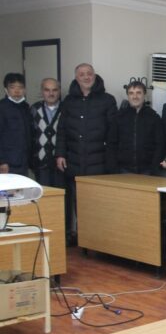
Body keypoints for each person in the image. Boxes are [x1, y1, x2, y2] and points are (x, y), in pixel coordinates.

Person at [56, 63, 117, 244]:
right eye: (82, 74)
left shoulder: (107, 100)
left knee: (99, 203)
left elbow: (113, 132)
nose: (86, 77)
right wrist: (60, 154)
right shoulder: (69, 101)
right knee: (78, 201)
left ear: (94, 76)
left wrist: (110, 158)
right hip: (74, 160)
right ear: (76, 78)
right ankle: (83, 239)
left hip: (99, 161)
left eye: (89, 73)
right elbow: (62, 130)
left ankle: (99, 241)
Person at [107, 81, 165, 175]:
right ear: (128, 96)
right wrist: (114, 169)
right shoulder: (119, 117)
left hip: (147, 171)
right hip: (123, 170)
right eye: (131, 93)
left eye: (138, 92)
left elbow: (160, 145)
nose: (135, 96)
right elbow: (111, 144)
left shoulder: (154, 117)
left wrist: (154, 168)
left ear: (144, 95)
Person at [29, 78, 64, 187]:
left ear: (59, 91)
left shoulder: (66, 108)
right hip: (40, 162)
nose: (51, 93)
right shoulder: (34, 109)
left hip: (62, 162)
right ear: (42, 91)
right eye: (47, 90)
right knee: (44, 194)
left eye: (54, 90)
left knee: (62, 194)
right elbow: (29, 135)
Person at [0, 73, 32, 176]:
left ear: (25, 90)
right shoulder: (2, 108)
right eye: (12, 87)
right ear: (6, 90)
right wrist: (2, 161)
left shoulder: (26, 107)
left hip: (23, 160)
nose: (17, 91)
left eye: (20, 87)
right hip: (7, 162)